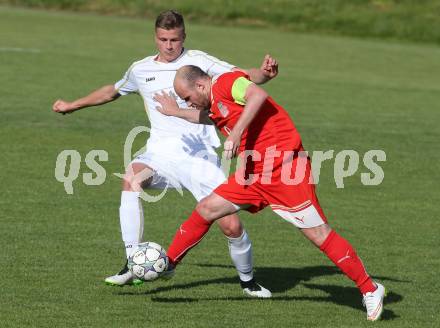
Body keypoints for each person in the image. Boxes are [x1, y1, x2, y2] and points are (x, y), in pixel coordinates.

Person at [52, 10, 278, 298]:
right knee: (132, 178)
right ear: (155, 38)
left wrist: (264, 75)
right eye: (163, 39)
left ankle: (248, 282)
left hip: (201, 157)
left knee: (231, 225)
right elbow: (112, 91)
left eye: (174, 39)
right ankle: (132, 262)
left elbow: (241, 76)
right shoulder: (140, 69)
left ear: (183, 37)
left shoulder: (199, 63)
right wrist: (73, 105)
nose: (169, 45)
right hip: (159, 153)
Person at [153, 65, 386, 321]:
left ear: (200, 85)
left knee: (318, 234)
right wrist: (176, 112)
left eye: (187, 98)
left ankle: (370, 288)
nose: (190, 103)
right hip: (254, 173)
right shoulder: (213, 101)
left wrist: (238, 132)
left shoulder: (226, 83)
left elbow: (257, 95)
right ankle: (169, 264)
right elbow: (214, 116)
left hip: (285, 169)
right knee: (207, 208)